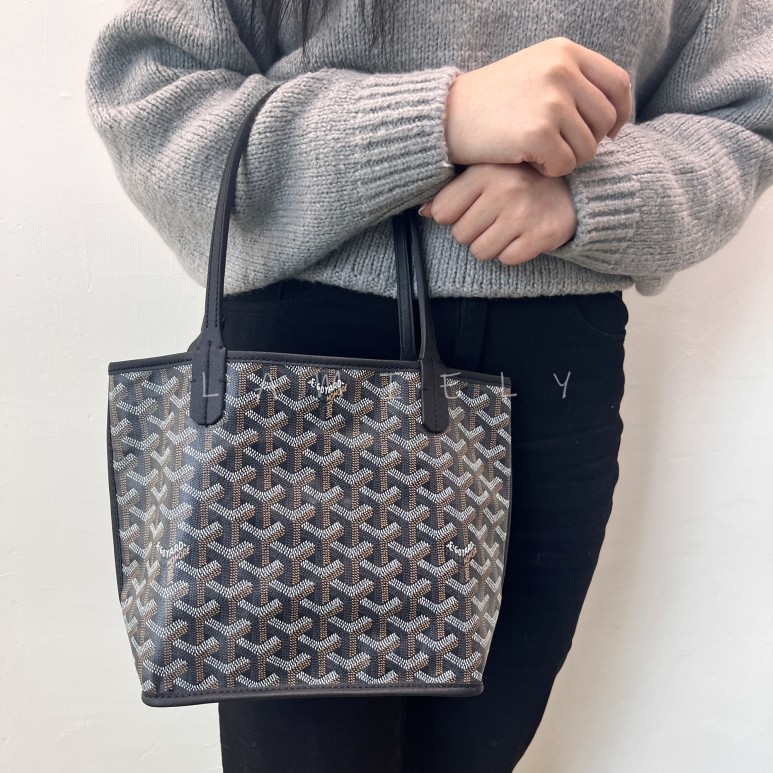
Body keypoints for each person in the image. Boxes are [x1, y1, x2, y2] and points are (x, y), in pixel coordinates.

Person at [84, 1, 773, 770]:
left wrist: (590, 193)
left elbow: (748, 115)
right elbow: (151, 99)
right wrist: (442, 116)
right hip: (300, 360)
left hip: (551, 362)